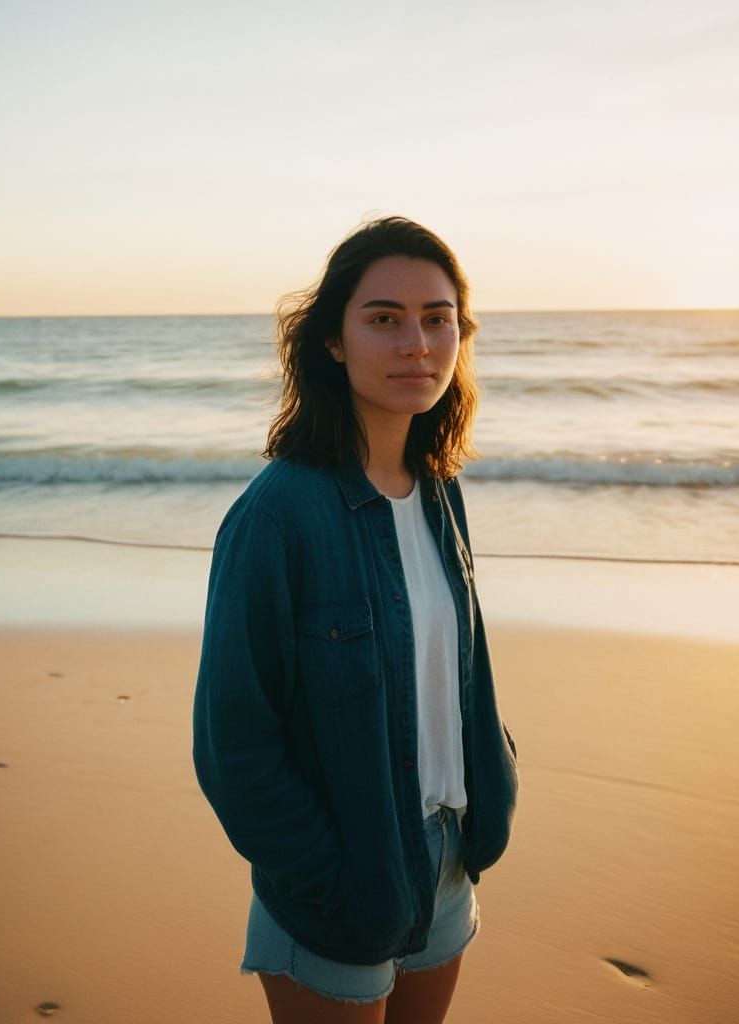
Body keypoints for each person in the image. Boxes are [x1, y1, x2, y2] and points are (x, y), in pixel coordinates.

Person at [193, 216, 518, 1024]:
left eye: (437, 317)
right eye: (384, 318)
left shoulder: (441, 493)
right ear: (333, 342)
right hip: (340, 883)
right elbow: (232, 745)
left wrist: (495, 780)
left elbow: (460, 671)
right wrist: (328, 874)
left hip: (449, 866)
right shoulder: (278, 517)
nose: (417, 341)